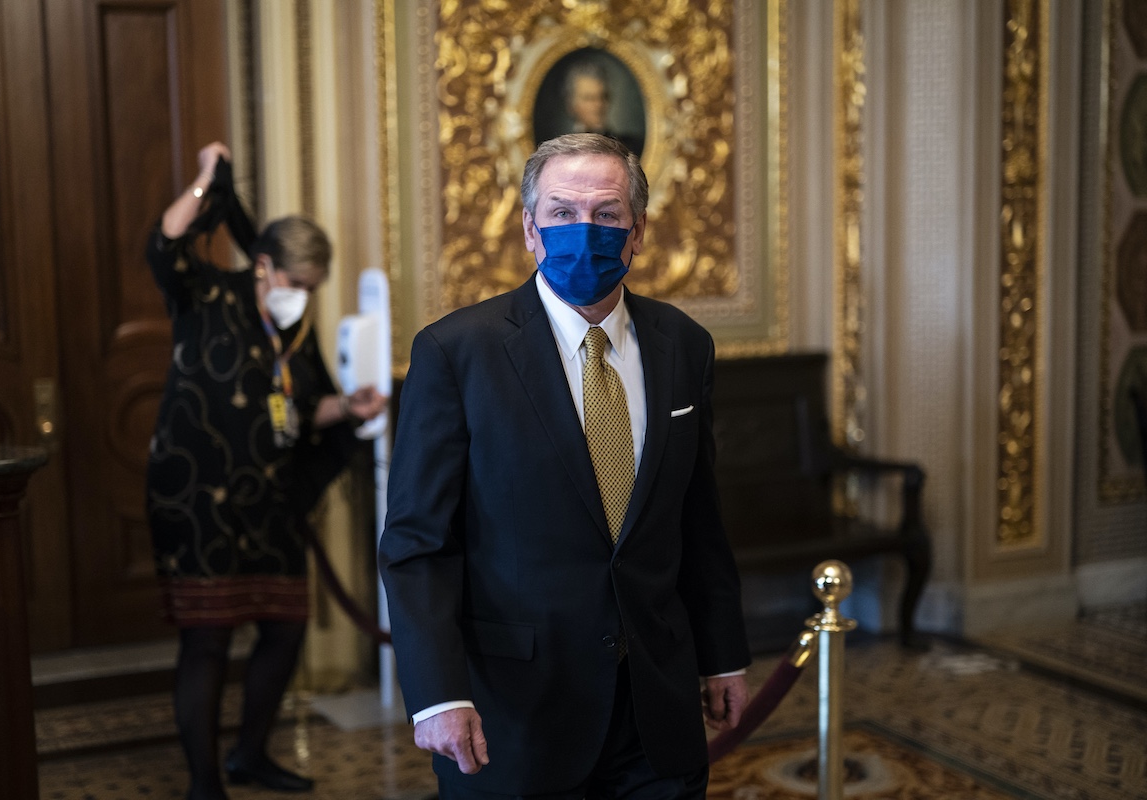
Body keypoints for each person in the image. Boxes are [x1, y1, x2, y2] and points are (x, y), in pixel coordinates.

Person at [379, 133, 752, 799]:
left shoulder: (684, 346)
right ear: (529, 229)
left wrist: (724, 656)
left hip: (656, 710)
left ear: (637, 232)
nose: (585, 231)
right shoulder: (455, 353)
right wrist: (436, 695)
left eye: (606, 215)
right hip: (516, 716)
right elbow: (418, 544)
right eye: (561, 213)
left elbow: (698, 519)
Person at [145, 142, 386, 800]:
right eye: (294, 284)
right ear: (263, 265)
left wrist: (349, 406)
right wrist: (203, 182)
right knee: (208, 642)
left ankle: (249, 755)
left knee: (284, 628)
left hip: (269, 503)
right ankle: (203, 784)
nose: (300, 299)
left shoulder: (297, 334)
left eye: (311, 289)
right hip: (198, 501)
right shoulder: (208, 296)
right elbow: (164, 246)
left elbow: (300, 410)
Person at [562, 59, 644, 157]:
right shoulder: (561, 151)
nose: (598, 105)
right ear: (571, 105)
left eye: (603, 97)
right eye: (589, 98)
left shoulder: (631, 148)